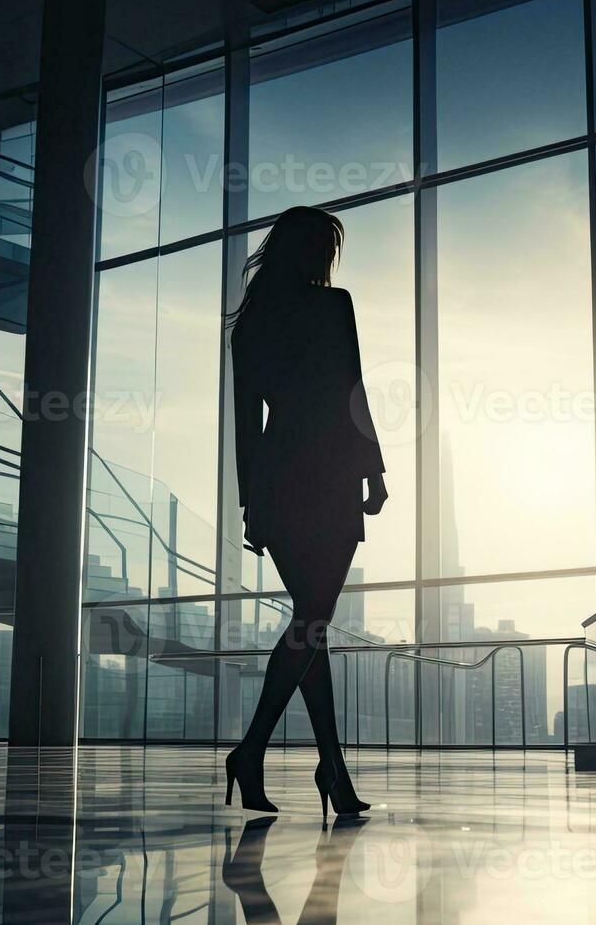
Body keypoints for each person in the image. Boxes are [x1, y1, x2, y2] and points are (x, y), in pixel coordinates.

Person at [223, 205, 388, 819]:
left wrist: (252, 502)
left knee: (311, 621)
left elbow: (253, 422)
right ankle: (261, 750)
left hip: (290, 477)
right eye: (323, 246)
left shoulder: (257, 323)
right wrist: (371, 467)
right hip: (320, 478)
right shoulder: (328, 306)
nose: (328, 258)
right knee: (313, 619)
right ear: (304, 250)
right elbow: (353, 391)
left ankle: (327, 767)